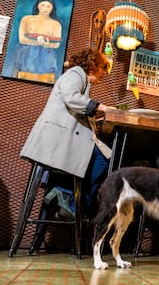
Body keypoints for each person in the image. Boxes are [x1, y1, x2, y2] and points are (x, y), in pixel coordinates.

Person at [20, 48, 114, 218]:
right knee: (102, 158)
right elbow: (71, 97)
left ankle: (64, 194)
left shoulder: (79, 78)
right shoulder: (76, 74)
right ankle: (74, 203)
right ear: (93, 66)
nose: (102, 75)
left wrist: (95, 114)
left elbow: (74, 106)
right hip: (56, 140)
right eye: (102, 69)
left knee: (99, 157)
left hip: (62, 138)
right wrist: (102, 107)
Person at [11, 0, 62, 83]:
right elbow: (22, 39)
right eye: (42, 5)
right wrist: (38, 42)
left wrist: (46, 44)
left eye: (48, 6)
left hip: (47, 56)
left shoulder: (56, 24)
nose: (45, 8)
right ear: (38, 6)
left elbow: (57, 44)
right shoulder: (27, 19)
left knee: (45, 80)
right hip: (26, 55)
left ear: (52, 8)